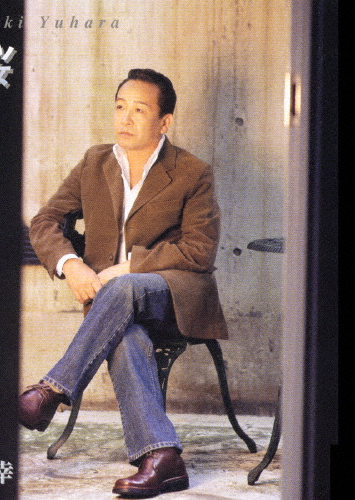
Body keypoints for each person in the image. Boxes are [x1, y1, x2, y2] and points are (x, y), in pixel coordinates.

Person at [19, 68, 228, 497]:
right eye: (120, 107)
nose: (125, 118)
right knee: (127, 336)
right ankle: (162, 457)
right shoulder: (95, 162)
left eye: (139, 110)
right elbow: (44, 221)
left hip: (173, 296)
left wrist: (129, 268)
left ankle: (52, 390)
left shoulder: (192, 172)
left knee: (124, 288)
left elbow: (199, 249)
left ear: (164, 121)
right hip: (110, 305)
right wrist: (71, 265)